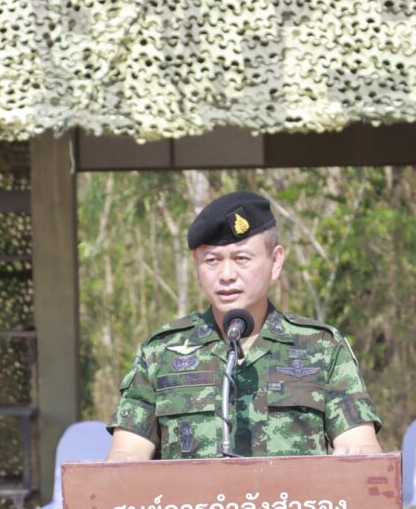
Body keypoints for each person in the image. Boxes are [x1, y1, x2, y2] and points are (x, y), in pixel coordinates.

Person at [106, 190, 382, 462]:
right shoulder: (162, 352)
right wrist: (124, 461)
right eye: (212, 261)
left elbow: (360, 447)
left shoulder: (321, 347)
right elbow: (126, 456)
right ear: (196, 264)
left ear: (275, 262)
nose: (226, 275)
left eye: (242, 259)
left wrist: (354, 455)